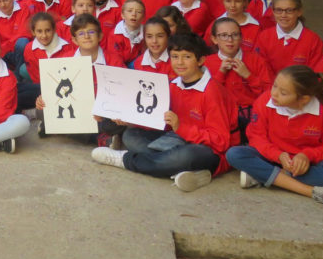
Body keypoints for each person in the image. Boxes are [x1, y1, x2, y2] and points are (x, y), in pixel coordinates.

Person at [91, 33, 230, 192]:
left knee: (184, 156)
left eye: (187, 57)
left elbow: (221, 141)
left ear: (200, 60)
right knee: (131, 136)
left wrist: (181, 128)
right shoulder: (173, 85)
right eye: (175, 57)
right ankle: (186, 171)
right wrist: (129, 120)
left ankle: (124, 160)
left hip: (205, 148)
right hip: (175, 139)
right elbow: (158, 122)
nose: (180, 62)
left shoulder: (212, 91)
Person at [226, 66, 323, 207]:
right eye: (275, 86)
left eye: (283, 93)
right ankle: (310, 191)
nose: (274, 94)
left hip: (303, 166)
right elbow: (256, 136)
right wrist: (277, 155)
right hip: (271, 157)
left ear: (304, 99)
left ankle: (263, 176)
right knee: (235, 154)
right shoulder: (265, 101)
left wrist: (307, 156)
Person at [254, 0, 323, 74]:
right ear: (273, 11)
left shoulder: (313, 41)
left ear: (299, 12)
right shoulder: (264, 37)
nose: (283, 15)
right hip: (271, 86)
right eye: (279, 10)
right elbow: (261, 70)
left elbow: (317, 74)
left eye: (289, 10)